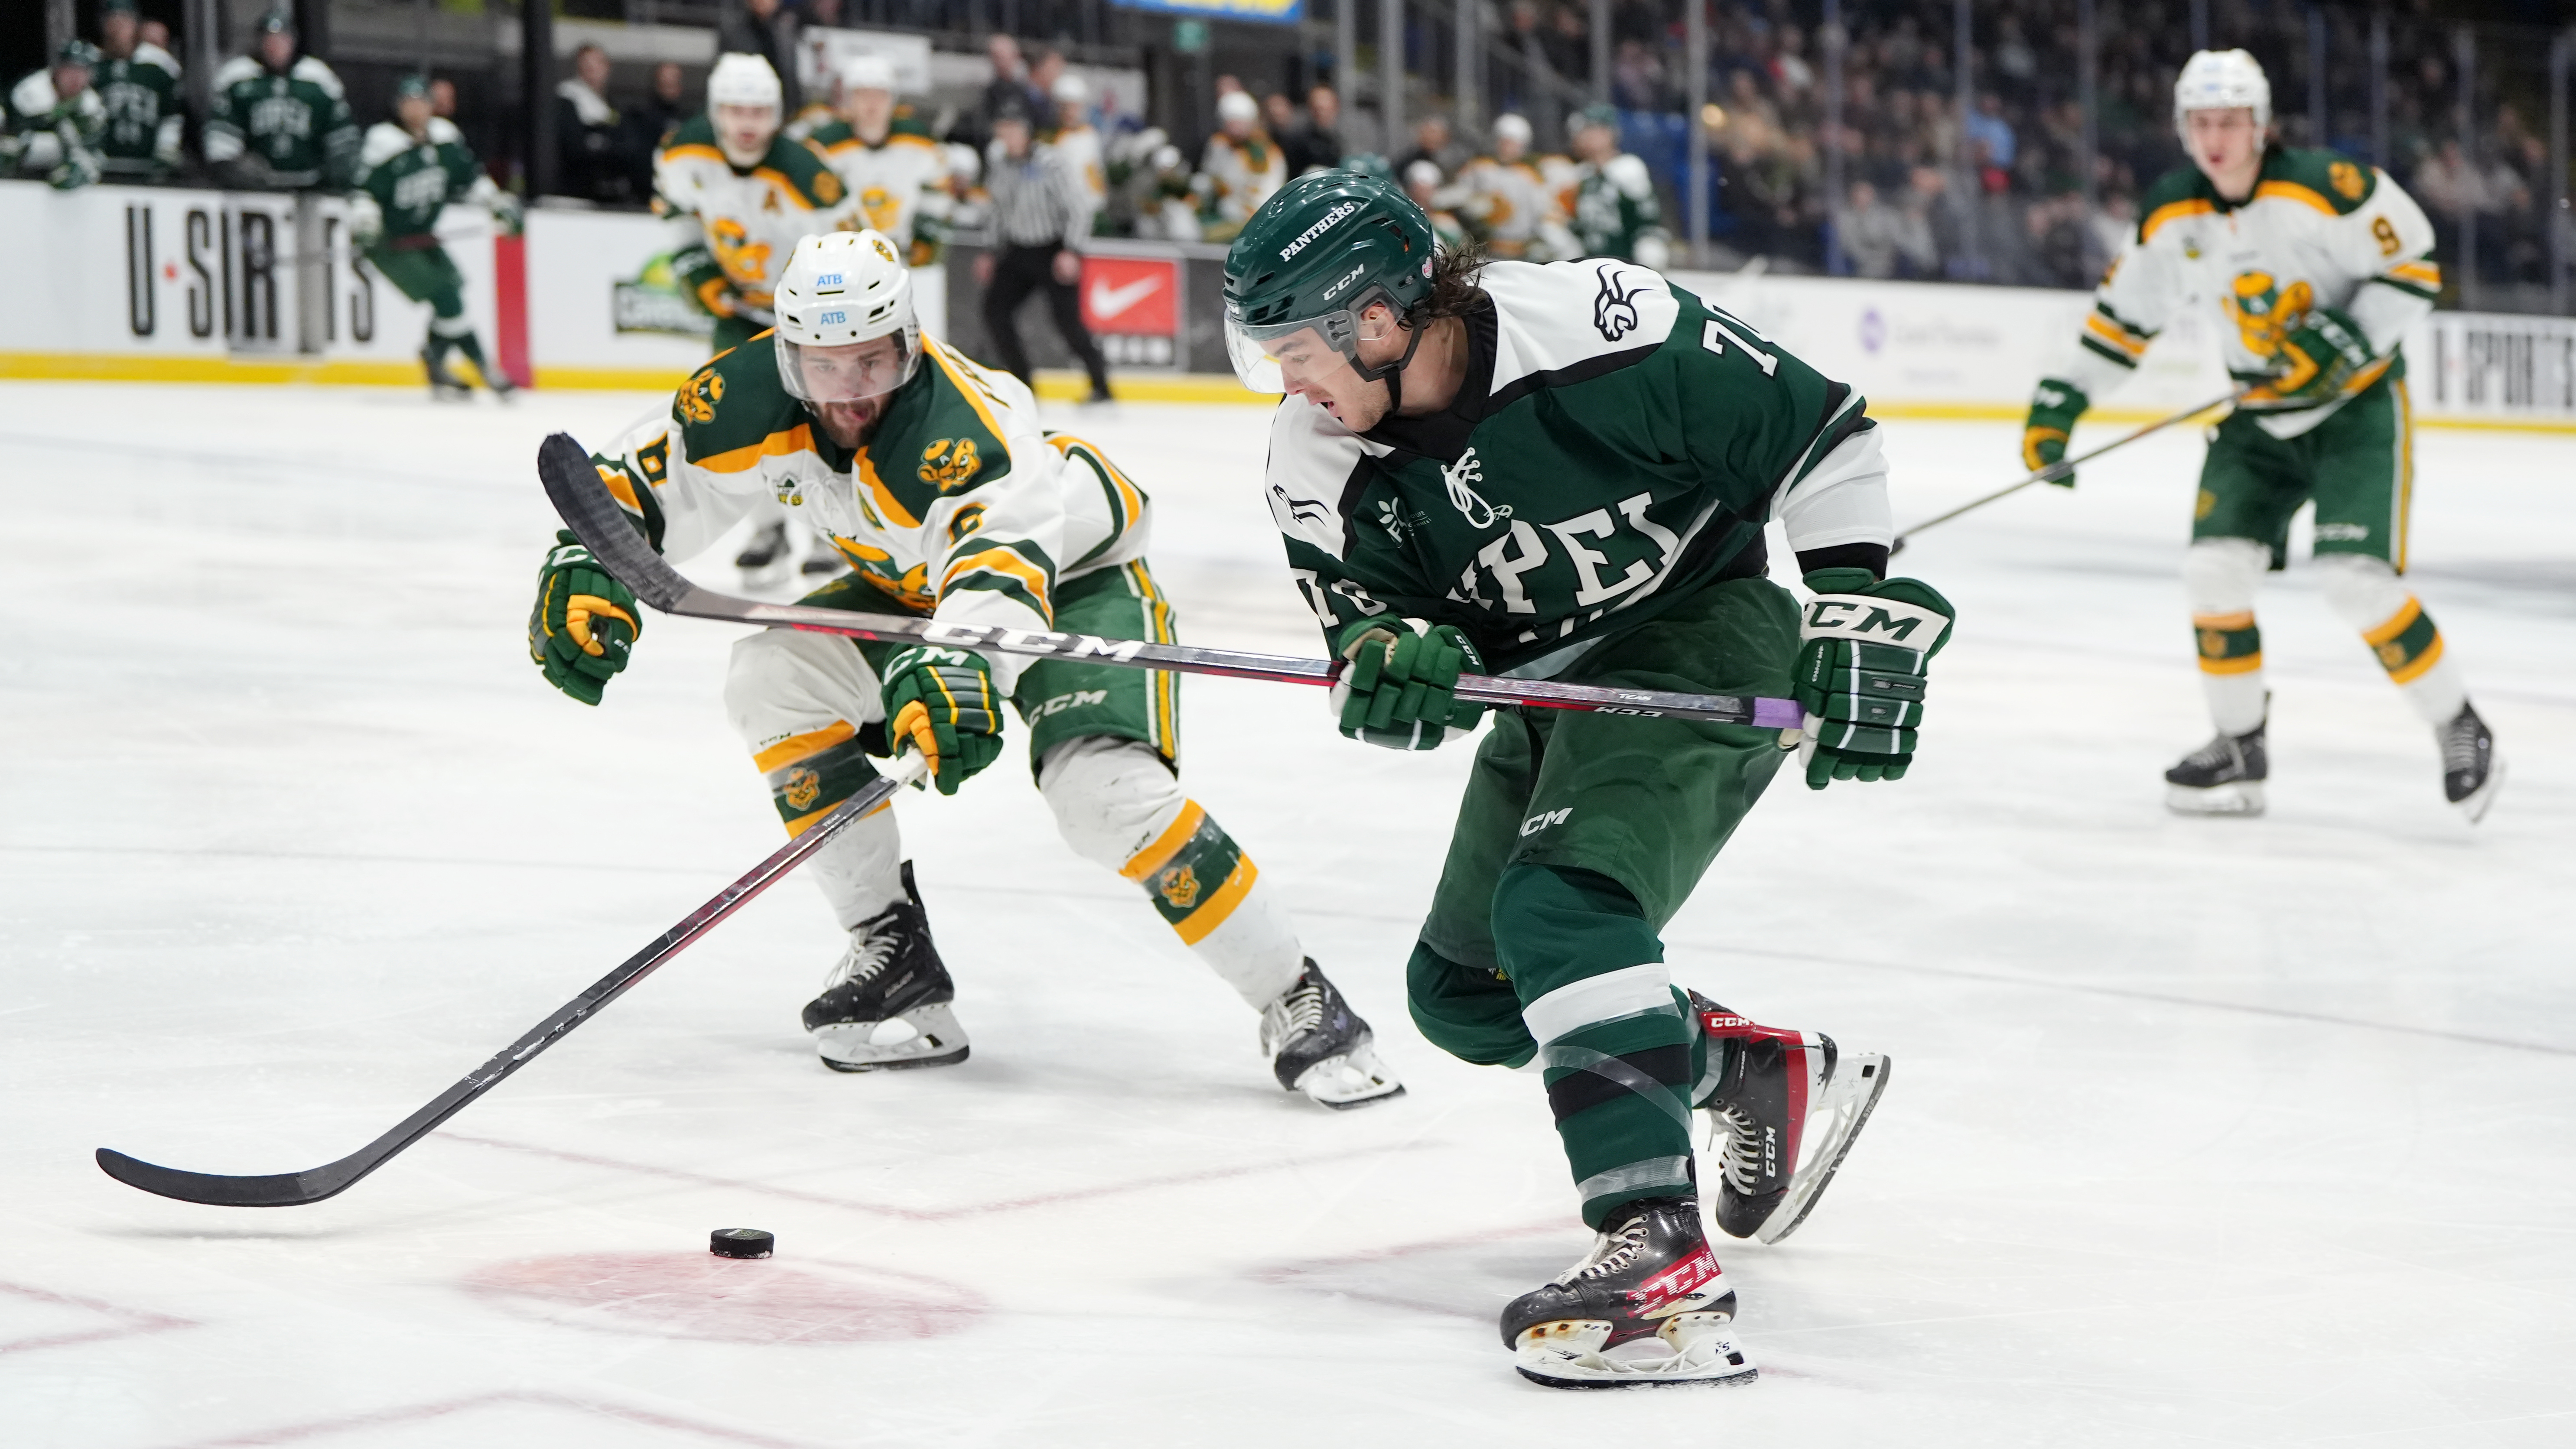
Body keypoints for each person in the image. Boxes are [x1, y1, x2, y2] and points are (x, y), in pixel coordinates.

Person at [1223, 170, 1920, 1386]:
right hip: (1548, 695)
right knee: (1465, 991)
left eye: (1294, 350)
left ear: (1377, 320)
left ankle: (1655, 1254)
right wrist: (1392, 662)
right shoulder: (1315, 459)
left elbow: (1819, 431)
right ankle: (1748, 1067)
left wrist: (1860, 602)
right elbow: (1366, 626)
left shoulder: (1606, 326)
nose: (1287, 383)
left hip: (1699, 631)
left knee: (1561, 910)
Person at [535, 230, 1406, 1108]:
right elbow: (644, 480)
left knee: (1103, 798)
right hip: (910, 589)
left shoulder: (973, 425)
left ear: (907, 343)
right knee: (771, 678)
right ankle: (892, 955)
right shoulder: (746, 392)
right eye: (822, 368)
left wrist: (955, 668)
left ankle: (1298, 996)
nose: (847, 394)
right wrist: (590, 559)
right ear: (787, 350)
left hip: (1068, 587)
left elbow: (999, 569)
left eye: (871, 364)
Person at [2021, 50, 2501, 822]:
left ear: (2260, 124)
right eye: (2201, 123)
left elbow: (2410, 265)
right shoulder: (2173, 209)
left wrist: (2344, 336)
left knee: (2353, 581)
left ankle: (2458, 723)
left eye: (2230, 121)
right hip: (2257, 418)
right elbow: (2122, 319)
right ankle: (2237, 745)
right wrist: (2060, 401)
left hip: (2354, 409)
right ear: (2183, 129)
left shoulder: (2323, 187)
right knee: (2211, 572)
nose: (2216, 138)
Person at [654, 52, 860, 360]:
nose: (748, 123)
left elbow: (856, 247)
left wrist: (829, 305)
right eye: (736, 111)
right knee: (730, 399)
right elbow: (678, 215)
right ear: (716, 111)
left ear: (776, 114)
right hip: (737, 311)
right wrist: (700, 272)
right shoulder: (684, 153)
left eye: (759, 112)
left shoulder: (805, 171)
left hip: (804, 316)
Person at [351, 75, 522, 399]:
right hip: (388, 242)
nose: (416, 109)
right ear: (399, 106)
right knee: (447, 296)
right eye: (409, 102)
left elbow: (470, 178)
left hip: (422, 236)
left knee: (452, 290)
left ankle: (436, 363)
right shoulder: (384, 141)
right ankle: (486, 368)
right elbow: (362, 190)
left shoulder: (444, 139)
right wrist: (366, 222)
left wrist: (497, 204)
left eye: (421, 101)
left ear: (431, 105)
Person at [807, 54, 954, 341]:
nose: (872, 104)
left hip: (899, 260)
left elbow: (938, 194)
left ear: (893, 99)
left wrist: (929, 239)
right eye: (862, 95)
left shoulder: (919, 141)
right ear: (848, 100)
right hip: (839, 265)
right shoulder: (824, 146)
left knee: (906, 345)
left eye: (880, 95)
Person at [976, 103, 1110, 403]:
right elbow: (997, 210)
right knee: (995, 311)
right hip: (1018, 250)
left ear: (1027, 131)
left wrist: (1072, 250)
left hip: (1054, 249)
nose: (1009, 135)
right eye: (1003, 128)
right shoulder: (999, 163)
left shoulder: (1052, 162)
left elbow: (1078, 207)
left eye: (1015, 128)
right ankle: (1023, 384)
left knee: (1068, 322)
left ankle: (1101, 385)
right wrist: (990, 250)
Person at [204, 10, 356, 190]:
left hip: (310, 190)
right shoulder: (237, 77)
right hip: (255, 190)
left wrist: (338, 173)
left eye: (282, 40)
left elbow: (342, 137)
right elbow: (222, 138)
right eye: (269, 40)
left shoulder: (320, 79)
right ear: (259, 42)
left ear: (293, 41)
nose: (275, 47)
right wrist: (230, 168)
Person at [1455, 113, 1575, 261]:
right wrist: (1471, 210)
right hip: (1484, 250)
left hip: (1520, 251)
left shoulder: (1530, 176)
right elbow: (1458, 197)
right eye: (1504, 141)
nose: (1507, 148)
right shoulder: (1479, 168)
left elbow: (1543, 211)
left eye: (1512, 143)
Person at [1565, 104, 1669, 268]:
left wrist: (1648, 255)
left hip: (1625, 269)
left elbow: (1646, 220)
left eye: (1590, 130)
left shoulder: (1627, 169)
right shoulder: (1581, 174)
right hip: (1587, 268)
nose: (1583, 136)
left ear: (1608, 133)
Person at [91, 0, 182, 184]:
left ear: (136, 25)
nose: (119, 27)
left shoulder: (160, 66)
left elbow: (172, 114)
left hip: (147, 166)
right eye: (113, 21)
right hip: (102, 167)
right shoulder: (93, 66)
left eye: (125, 20)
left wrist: (167, 149)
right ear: (103, 25)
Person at [3, 40, 105, 190]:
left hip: (60, 161)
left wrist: (76, 166)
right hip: (22, 158)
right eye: (71, 69)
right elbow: (15, 135)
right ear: (58, 68)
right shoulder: (31, 90)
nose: (76, 78)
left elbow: (91, 149)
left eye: (83, 71)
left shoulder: (92, 106)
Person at [1196, 89, 1283, 243]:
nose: (1235, 129)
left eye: (1240, 122)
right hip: (1221, 210)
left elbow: (1268, 190)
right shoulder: (1219, 144)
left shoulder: (1266, 151)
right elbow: (1210, 174)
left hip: (1251, 215)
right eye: (1231, 122)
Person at [555, 42, 634, 205]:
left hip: (608, 191)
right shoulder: (568, 98)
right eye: (586, 65)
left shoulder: (611, 105)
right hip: (576, 190)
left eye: (597, 64)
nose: (592, 70)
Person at [716, 0, 800, 117]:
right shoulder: (734, 30)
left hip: (784, 107)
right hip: (746, 106)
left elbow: (790, 75)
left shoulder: (785, 28)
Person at [1281, 83, 1342, 177]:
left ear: (1335, 107)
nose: (1321, 113)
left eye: (1324, 108)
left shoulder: (1346, 138)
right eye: (1317, 108)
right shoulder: (1297, 141)